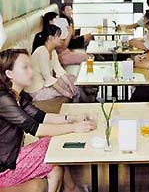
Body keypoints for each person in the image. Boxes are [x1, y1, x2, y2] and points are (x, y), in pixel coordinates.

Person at [0, 49, 96, 191]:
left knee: (55, 163)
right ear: (9, 74)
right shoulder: (3, 100)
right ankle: (73, 189)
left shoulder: (19, 95)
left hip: (13, 156)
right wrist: (74, 127)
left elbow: (42, 117)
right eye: (25, 67)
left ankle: (72, 188)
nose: (31, 72)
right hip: (5, 168)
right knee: (52, 148)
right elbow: (36, 128)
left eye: (30, 66)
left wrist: (72, 118)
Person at [28, 25, 94, 102]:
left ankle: (85, 102)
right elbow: (48, 77)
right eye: (58, 36)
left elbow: (59, 70)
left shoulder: (52, 51)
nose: (60, 38)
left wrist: (70, 85)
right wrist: (64, 92)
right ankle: (85, 102)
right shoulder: (42, 51)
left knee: (72, 82)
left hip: (45, 85)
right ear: (50, 38)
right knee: (70, 92)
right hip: (38, 90)